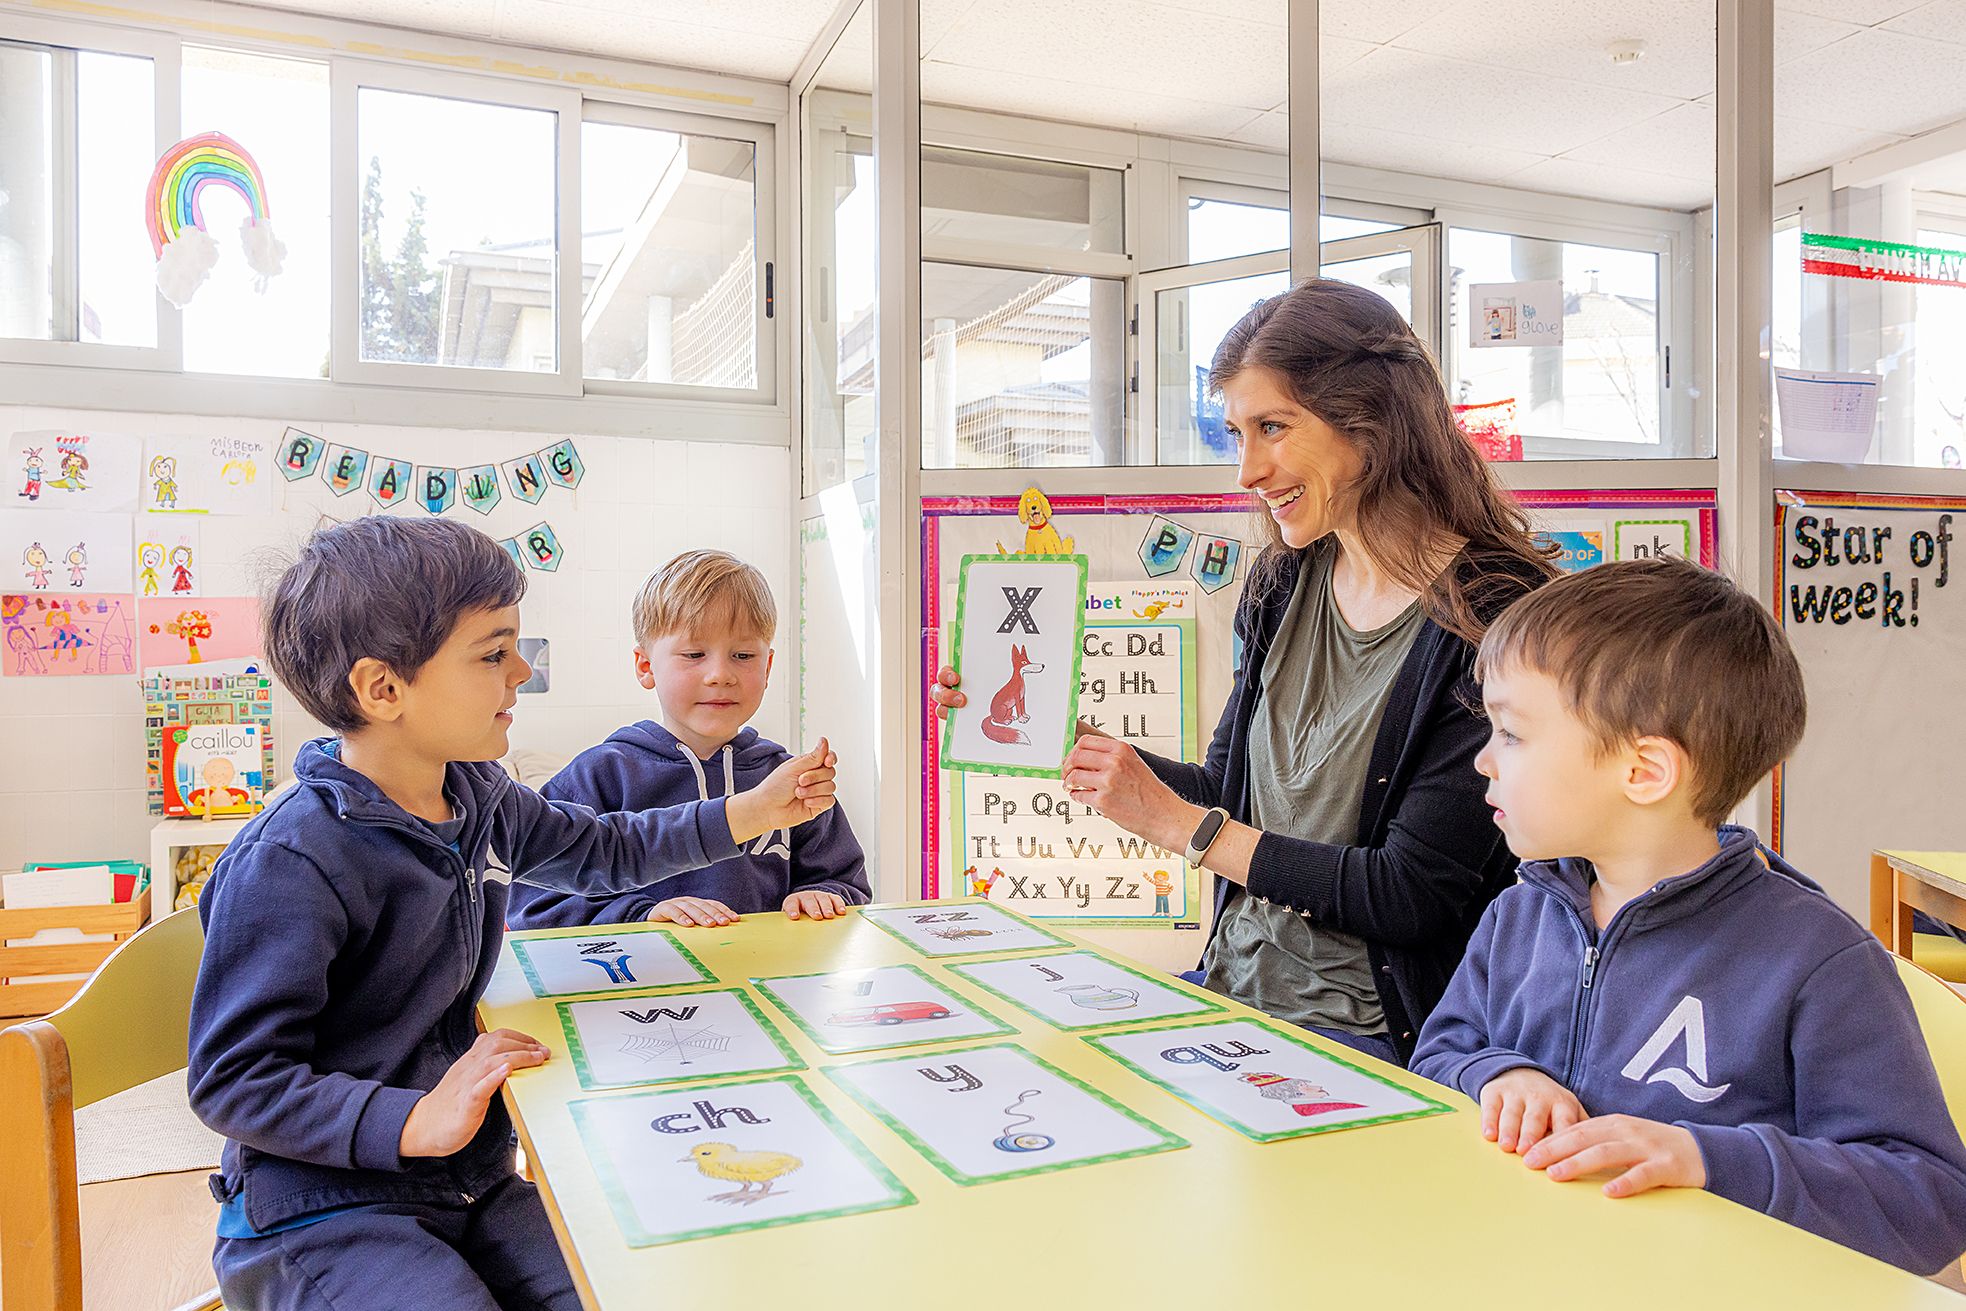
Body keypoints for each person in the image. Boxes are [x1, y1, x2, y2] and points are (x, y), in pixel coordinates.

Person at [187, 518, 840, 1310]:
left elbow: (606, 850)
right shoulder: (292, 858)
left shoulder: (478, 794)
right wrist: (414, 1118)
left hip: (467, 1183)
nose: (523, 672)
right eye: (494, 653)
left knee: (632, 1288)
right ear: (383, 688)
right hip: (322, 1210)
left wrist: (747, 810)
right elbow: (234, 1079)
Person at [934, 278, 1555, 1064]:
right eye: (1237, 433)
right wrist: (1050, 729)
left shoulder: (1496, 611)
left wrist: (1176, 825)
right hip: (1231, 988)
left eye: (1273, 427)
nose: (1247, 470)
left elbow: (1411, 894)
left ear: (1373, 419)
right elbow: (1228, 793)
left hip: (1375, 1036)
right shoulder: (1283, 582)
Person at [1411, 557, 1966, 1275]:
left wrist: (1703, 1156)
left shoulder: (1818, 961)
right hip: (1535, 1266)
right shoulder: (1521, 912)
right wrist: (1498, 1073)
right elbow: (1440, 1051)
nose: (1484, 760)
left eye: (1511, 734)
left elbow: (1930, 1199)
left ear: (1645, 772)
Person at [508, 549, 869, 930]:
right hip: (645, 984)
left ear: (768, 666)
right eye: (694, 654)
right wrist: (640, 916)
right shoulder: (600, 774)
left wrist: (823, 896)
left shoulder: (789, 779)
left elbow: (847, 883)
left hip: (766, 984)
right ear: (645, 666)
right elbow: (532, 907)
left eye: (743, 655)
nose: (720, 674)